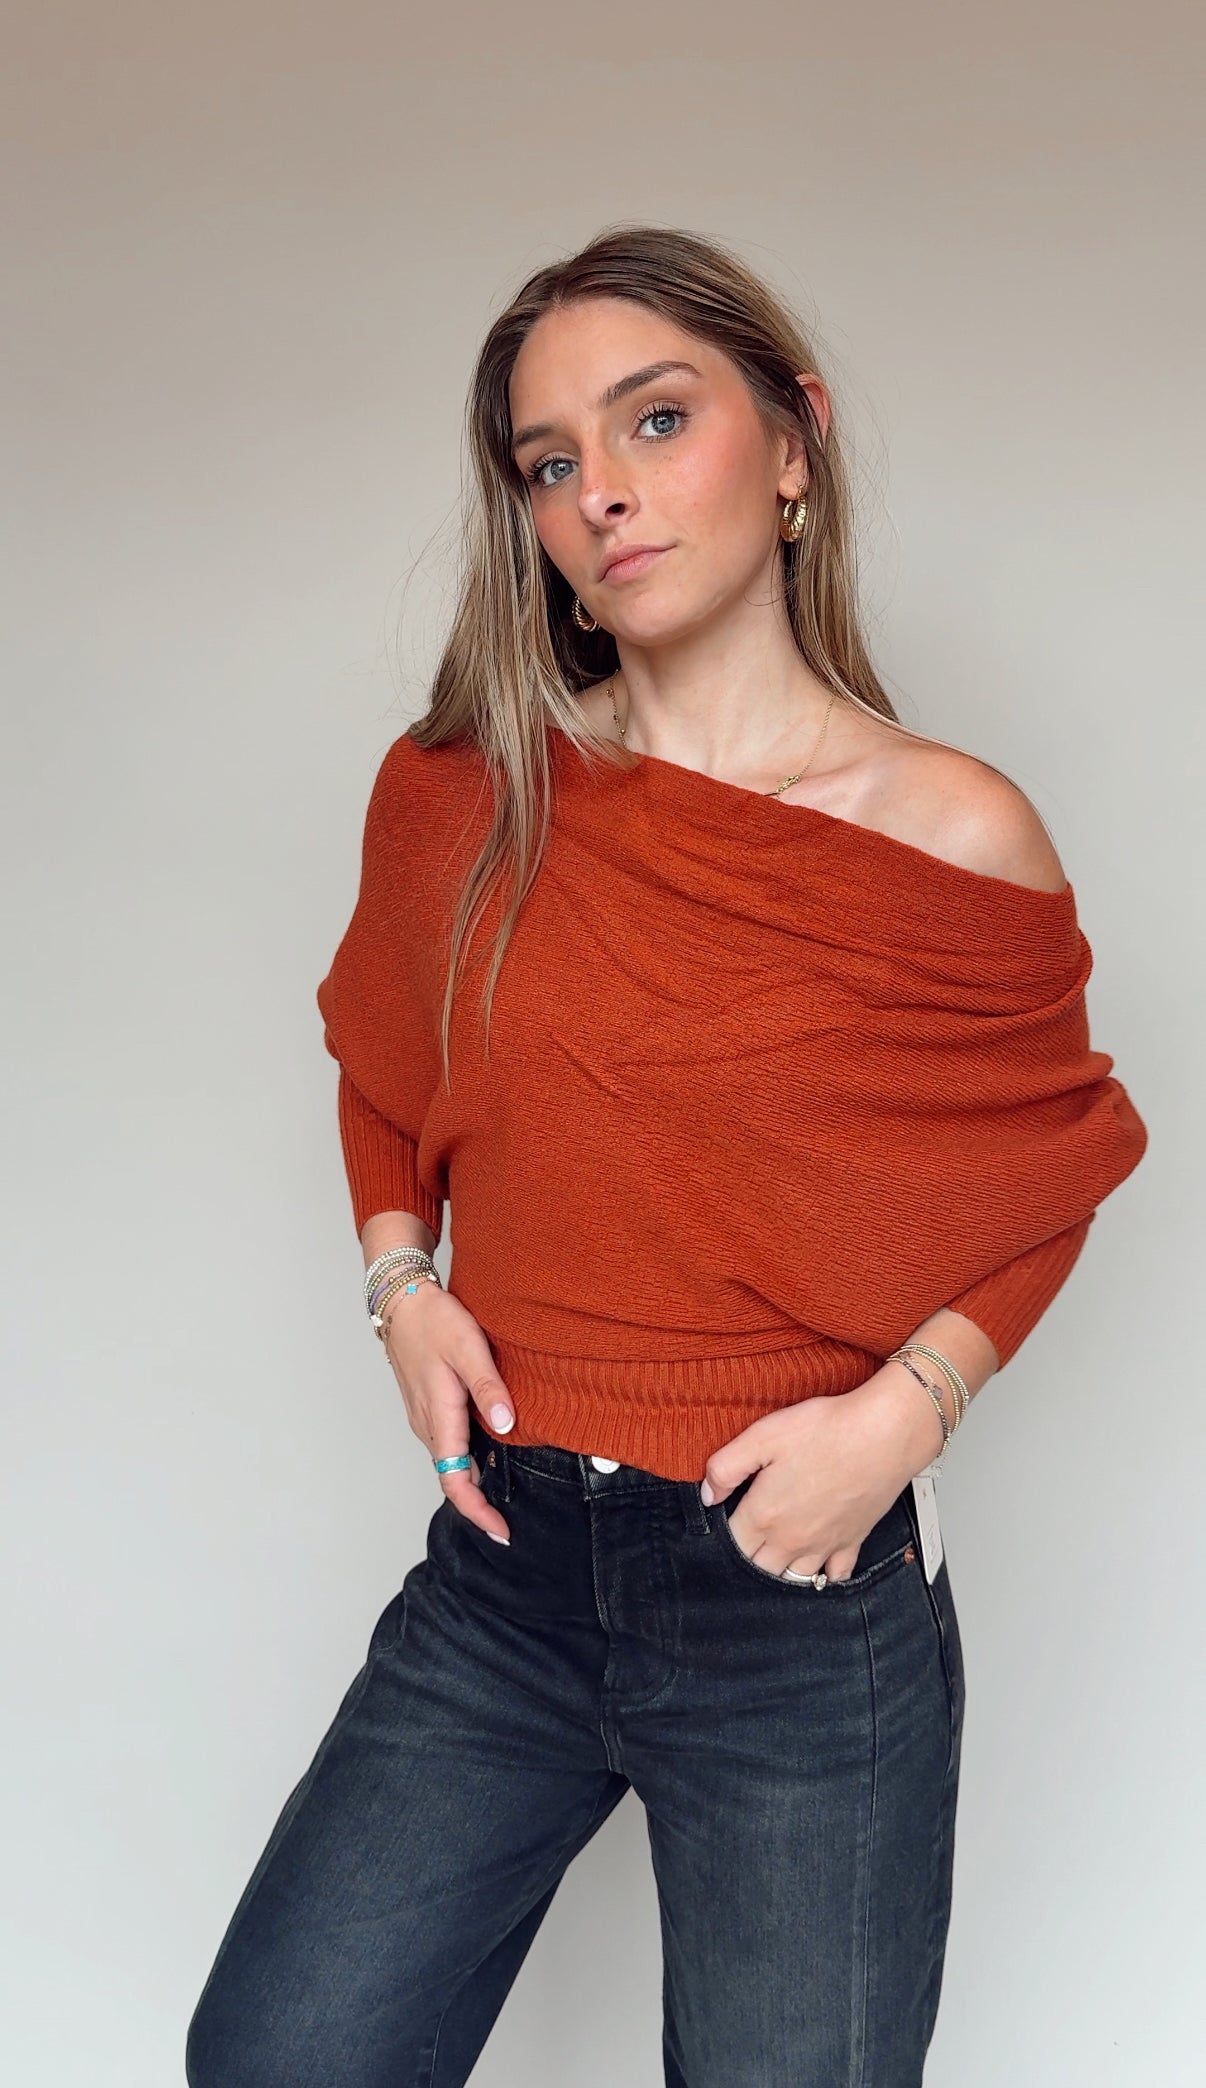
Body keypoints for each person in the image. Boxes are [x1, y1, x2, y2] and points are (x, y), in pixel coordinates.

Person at [185, 224, 1148, 2087]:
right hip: (509, 1571)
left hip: (799, 1599)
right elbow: (382, 1068)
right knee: (280, 2057)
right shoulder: (462, 790)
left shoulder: (953, 831)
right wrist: (399, 1280)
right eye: (549, 461)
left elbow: (1047, 1176)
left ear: (792, 442)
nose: (601, 493)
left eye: (653, 420)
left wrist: (907, 1416)